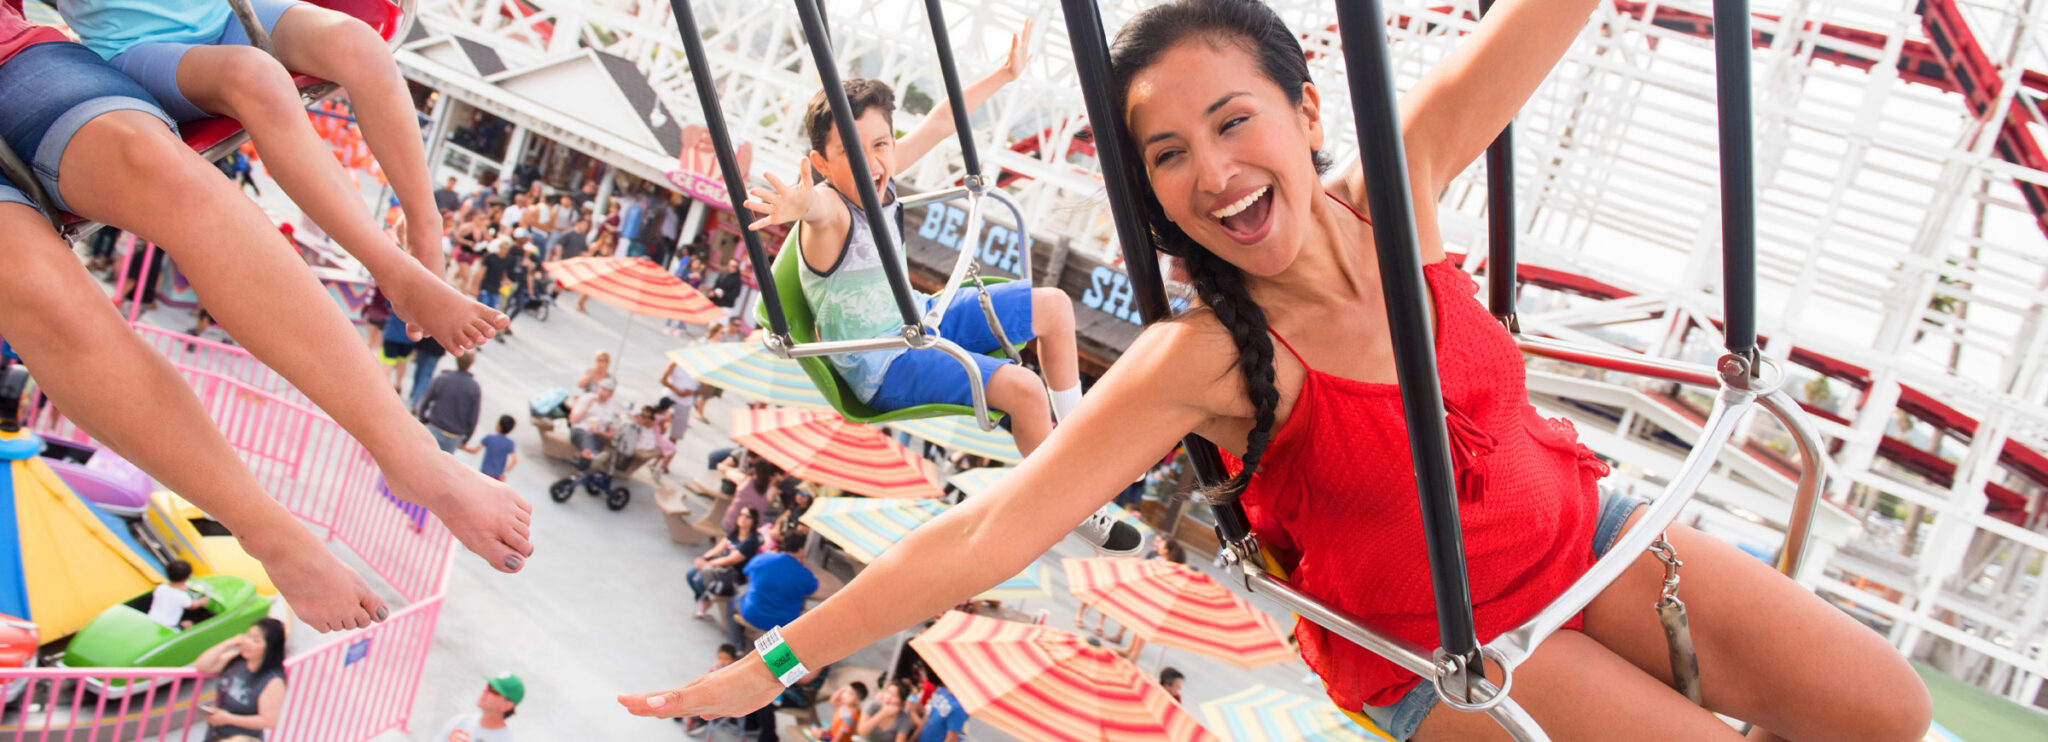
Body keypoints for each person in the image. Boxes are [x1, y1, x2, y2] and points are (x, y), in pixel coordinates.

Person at [619, 3, 1932, 741]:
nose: (1216, 172)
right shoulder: (1199, 363)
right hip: (1448, 648)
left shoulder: (1401, 186)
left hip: (1582, 531)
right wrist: (774, 660)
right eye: (1170, 156)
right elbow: (989, 530)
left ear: (1306, 115)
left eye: (1235, 122)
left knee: (1887, 704)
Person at [0, 6, 526, 635]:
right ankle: (269, 530)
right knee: (36, 291)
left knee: (159, 166)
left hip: (14, 58)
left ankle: (411, 454)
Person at [53, 0, 506, 353]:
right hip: (138, 47)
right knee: (256, 76)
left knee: (358, 42)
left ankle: (424, 226)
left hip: (225, 15)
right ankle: (393, 272)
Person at [738, 21, 1085, 461]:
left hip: (917, 320)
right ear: (822, 164)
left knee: (1054, 305)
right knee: (1025, 389)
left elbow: (942, 121)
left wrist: (1005, 75)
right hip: (884, 366)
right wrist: (800, 204)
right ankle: (1066, 491)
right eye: (850, 151)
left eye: (881, 144)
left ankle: (1077, 434)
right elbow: (817, 210)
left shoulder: (881, 171)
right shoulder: (832, 213)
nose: (871, 163)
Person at [193, 618, 287, 740]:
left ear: (269, 647)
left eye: (255, 641)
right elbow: (202, 665)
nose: (247, 642)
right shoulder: (237, 661)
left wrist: (227, 719)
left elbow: (268, 721)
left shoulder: (273, 680)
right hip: (215, 735)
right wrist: (230, 643)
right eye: (247, 636)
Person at [726, 529, 818, 649]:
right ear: (801, 549)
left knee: (732, 603)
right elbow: (812, 588)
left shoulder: (762, 559)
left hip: (752, 614)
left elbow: (747, 573)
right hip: (783, 623)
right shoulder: (803, 574)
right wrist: (803, 564)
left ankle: (736, 645)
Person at [687, 505, 762, 620]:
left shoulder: (751, 542)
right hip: (719, 569)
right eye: (741, 515)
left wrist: (707, 564)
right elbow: (717, 549)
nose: (743, 518)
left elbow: (731, 559)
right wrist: (703, 558)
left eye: (748, 517)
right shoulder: (734, 534)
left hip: (733, 575)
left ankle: (705, 602)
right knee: (691, 574)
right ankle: (705, 599)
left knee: (700, 579)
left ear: (753, 521)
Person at [417, 352, 482, 454]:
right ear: (471, 363)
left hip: (435, 426)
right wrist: (466, 439)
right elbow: (473, 417)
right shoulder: (474, 388)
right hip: (454, 435)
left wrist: (422, 418)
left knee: (423, 457)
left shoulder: (443, 378)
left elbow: (426, 400)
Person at [432, 672, 523, 742]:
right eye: (488, 686)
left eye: (494, 690)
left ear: (507, 706)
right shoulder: (459, 722)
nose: (485, 691)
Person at [567, 378, 623, 468]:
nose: (602, 392)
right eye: (601, 388)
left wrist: (600, 432)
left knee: (592, 437)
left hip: (598, 435)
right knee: (588, 436)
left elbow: (612, 433)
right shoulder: (587, 398)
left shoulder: (614, 407)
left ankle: (585, 460)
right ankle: (591, 458)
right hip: (580, 430)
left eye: (606, 391)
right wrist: (587, 407)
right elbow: (573, 420)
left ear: (611, 393)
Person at [723, 458, 783, 535]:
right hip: (750, 531)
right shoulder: (771, 491)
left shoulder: (745, 479)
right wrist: (776, 481)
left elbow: (724, 470)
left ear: (755, 470)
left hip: (730, 523)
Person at [146, 559, 210, 630]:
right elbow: (192, 606)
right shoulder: (182, 596)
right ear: (186, 578)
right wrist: (202, 602)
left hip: (152, 621)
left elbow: (171, 595)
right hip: (168, 627)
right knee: (188, 624)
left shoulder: (161, 588)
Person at [913, 671, 966, 742]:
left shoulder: (959, 706)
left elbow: (952, 737)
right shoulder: (941, 691)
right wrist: (914, 737)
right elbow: (927, 717)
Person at [462, 415, 518, 481]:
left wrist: (463, 448)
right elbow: (514, 460)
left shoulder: (489, 438)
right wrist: (506, 471)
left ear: (499, 426)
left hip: (485, 473)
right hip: (497, 476)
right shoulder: (509, 443)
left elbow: (475, 451)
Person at [409, 335, 448, 411]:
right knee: (426, 374)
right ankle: (417, 400)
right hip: (436, 345)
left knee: (420, 370)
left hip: (424, 342)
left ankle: (415, 394)